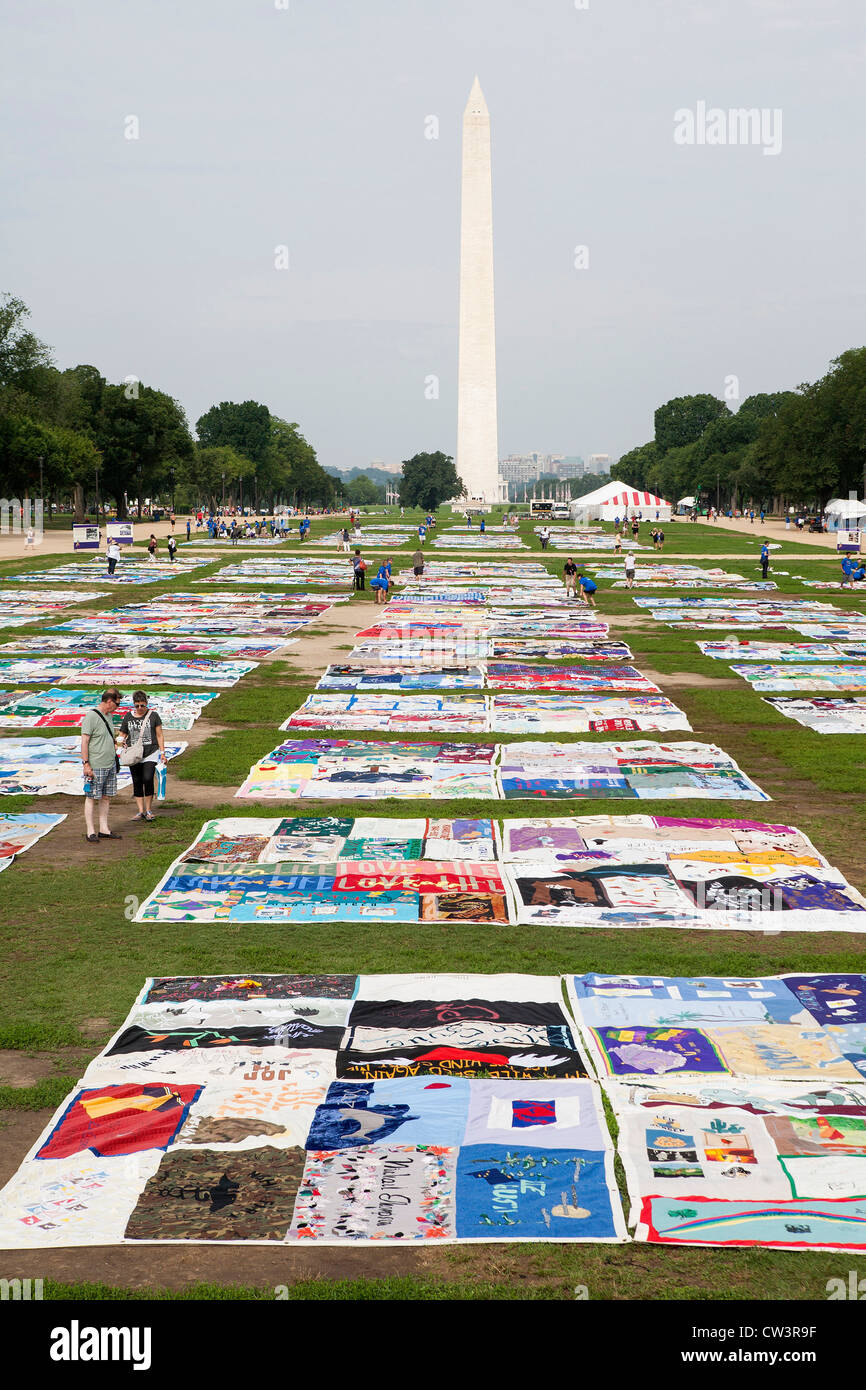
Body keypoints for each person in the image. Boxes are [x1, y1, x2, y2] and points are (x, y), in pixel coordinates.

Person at [81, 688, 123, 843]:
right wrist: (86, 764)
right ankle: (90, 830)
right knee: (91, 797)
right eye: (117, 704)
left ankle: (103, 829)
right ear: (109, 701)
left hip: (110, 763)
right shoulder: (91, 716)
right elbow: (85, 741)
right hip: (96, 764)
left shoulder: (109, 716)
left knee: (105, 797)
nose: (117, 707)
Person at [117, 691, 167, 822]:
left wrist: (162, 753)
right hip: (133, 753)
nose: (140, 708)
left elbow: (159, 735)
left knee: (148, 778)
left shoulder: (154, 716)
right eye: (137, 706)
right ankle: (140, 811)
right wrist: (118, 743)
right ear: (133, 704)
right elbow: (122, 734)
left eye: (142, 705)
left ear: (147, 704)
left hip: (150, 751)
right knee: (137, 780)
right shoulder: (128, 717)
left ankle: (149, 809)